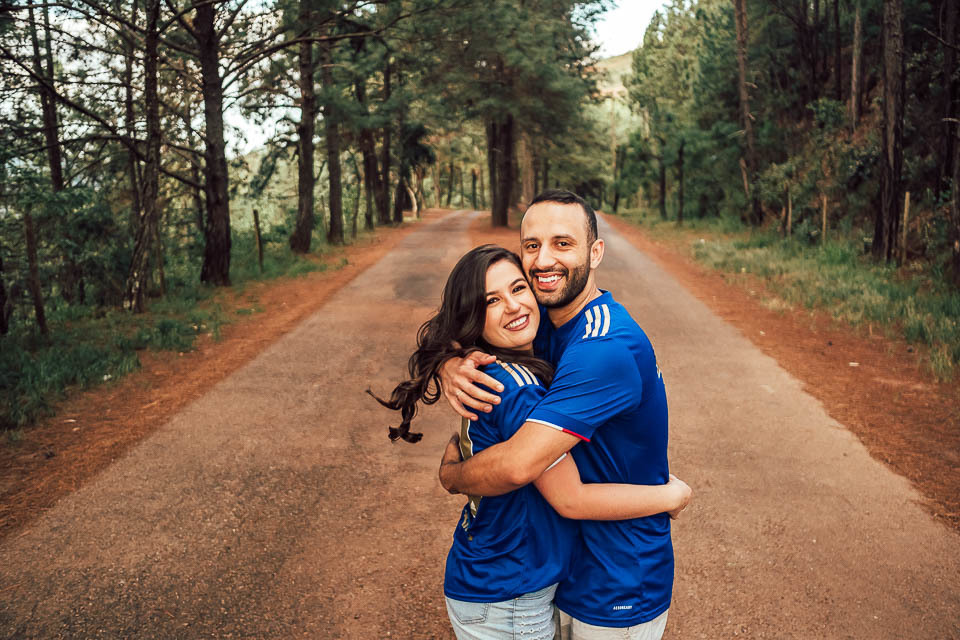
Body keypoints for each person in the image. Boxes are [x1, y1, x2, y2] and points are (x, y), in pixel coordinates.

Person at [370, 244, 691, 640]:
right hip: (509, 593)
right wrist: (670, 497)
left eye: (518, 288)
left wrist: (448, 360)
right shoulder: (517, 390)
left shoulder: (509, 362)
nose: (513, 306)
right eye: (491, 300)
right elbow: (569, 497)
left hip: (496, 582)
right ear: (472, 316)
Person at [438, 190, 681, 639]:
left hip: (615, 577)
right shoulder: (544, 328)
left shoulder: (601, 350)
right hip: (561, 571)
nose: (543, 259)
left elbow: (518, 466)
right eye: (532, 246)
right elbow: (472, 323)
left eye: (562, 244)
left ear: (595, 252)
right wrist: (450, 361)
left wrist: (453, 476)